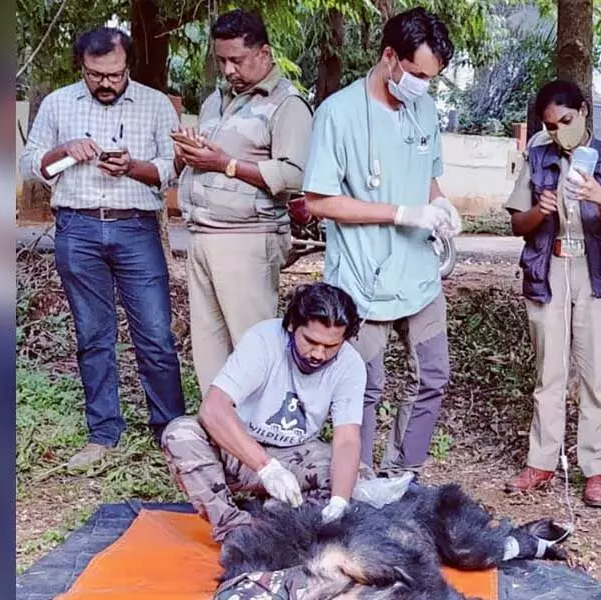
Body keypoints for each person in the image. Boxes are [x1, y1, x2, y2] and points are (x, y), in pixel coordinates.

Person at [300, 7, 462, 476]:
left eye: (431, 78)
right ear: (389, 56)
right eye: (415, 74)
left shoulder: (425, 108)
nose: (421, 86)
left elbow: (429, 178)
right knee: (364, 387)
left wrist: (441, 205)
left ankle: (402, 474)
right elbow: (319, 200)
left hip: (419, 277)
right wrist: (400, 214)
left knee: (432, 375)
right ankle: (362, 479)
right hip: (362, 279)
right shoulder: (339, 114)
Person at [19, 27, 184, 469]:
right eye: (96, 75)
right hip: (78, 229)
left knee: (155, 334)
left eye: (114, 73)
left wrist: (134, 167)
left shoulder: (155, 104)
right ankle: (103, 433)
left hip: (136, 228)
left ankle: (171, 433)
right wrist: (62, 150)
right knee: (93, 336)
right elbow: (30, 163)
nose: (106, 83)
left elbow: (171, 169)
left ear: (127, 65)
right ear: (82, 68)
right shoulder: (58, 103)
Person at [502, 81, 601, 507]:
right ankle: (541, 460)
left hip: (596, 273)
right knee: (550, 372)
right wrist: (538, 212)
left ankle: (596, 469)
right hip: (551, 267)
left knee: (596, 375)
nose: (558, 131)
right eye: (550, 125)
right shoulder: (538, 156)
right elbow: (516, 225)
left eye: (566, 121)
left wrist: (600, 197)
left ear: (583, 113)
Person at [161, 283, 372, 542]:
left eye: (331, 346)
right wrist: (267, 468)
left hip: (295, 454)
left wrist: (340, 501)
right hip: (239, 451)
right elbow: (213, 408)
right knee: (180, 434)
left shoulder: (350, 365)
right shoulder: (263, 340)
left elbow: (347, 439)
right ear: (293, 324)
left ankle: (295, 519)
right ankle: (234, 528)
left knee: (358, 477)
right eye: (311, 341)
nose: (319, 353)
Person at [174, 9, 313, 394]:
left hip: (248, 239)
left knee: (253, 345)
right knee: (208, 346)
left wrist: (226, 163)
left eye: (237, 59)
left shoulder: (287, 105)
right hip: (202, 236)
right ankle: (222, 436)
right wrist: (188, 153)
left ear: (264, 53)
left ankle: (260, 439)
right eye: (222, 61)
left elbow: (296, 175)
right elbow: (207, 161)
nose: (229, 70)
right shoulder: (215, 101)